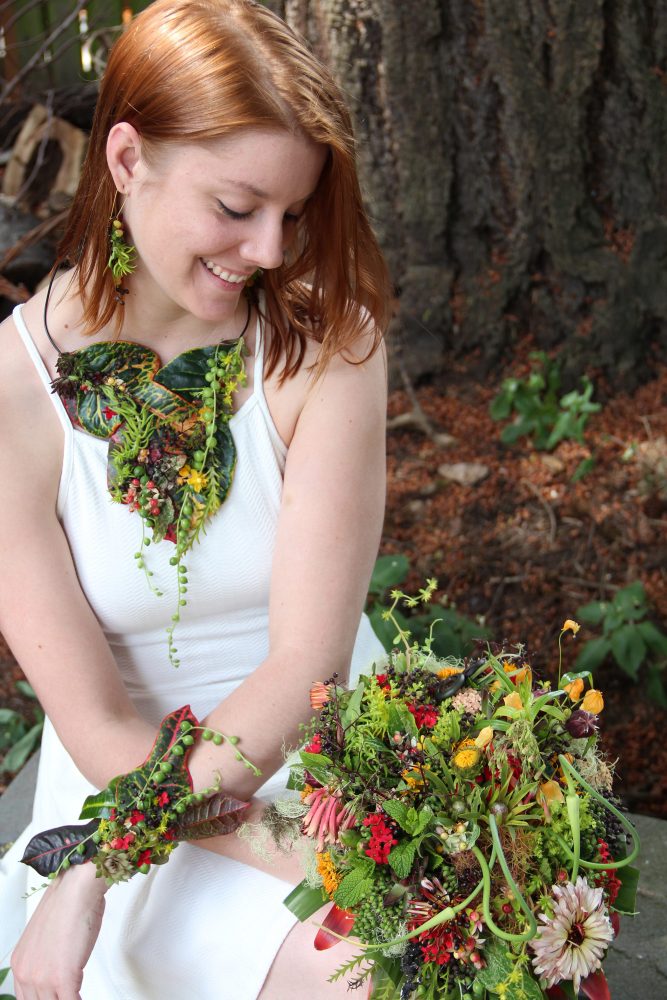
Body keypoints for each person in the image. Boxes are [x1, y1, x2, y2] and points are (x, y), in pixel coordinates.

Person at [0, 1, 391, 997]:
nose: (269, 247)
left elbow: (308, 666)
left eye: (293, 214)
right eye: (236, 206)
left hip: (330, 761)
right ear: (127, 159)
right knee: (364, 968)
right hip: (129, 787)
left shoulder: (328, 346)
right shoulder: (13, 392)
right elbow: (95, 722)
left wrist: (359, 846)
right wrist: (108, 850)